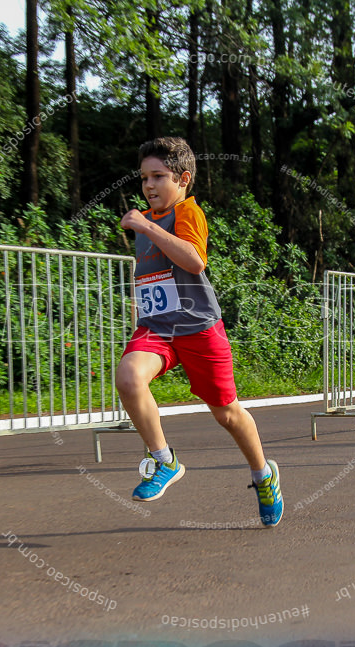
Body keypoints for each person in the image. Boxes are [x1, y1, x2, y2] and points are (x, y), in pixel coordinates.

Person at [115, 137, 283, 526]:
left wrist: (145, 225)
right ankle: (164, 460)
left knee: (227, 413)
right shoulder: (147, 220)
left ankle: (263, 476)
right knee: (128, 377)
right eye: (144, 178)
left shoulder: (187, 212)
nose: (149, 186)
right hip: (157, 327)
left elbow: (194, 260)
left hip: (197, 327)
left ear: (183, 179)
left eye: (158, 176)